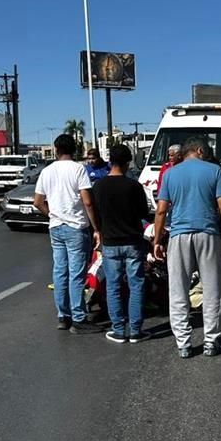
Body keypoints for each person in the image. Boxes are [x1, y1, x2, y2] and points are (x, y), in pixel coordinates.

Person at [153, 136, 221, 358]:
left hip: (179, 235)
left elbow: (161, 210)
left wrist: (157, 240)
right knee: (212, 289)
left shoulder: (171, 173)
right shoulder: (214, 171)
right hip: (207, 233)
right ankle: (211, 340)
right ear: (200, 150)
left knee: (178, 289)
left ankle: (183, 342)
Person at [34, 134, 104, 334]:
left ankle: (63, 316)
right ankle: (79, 318)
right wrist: (96, 228)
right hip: (76, 227)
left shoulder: (46, 171)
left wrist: (53, 215)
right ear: (74, 149)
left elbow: (37, 201)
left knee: (60, 272)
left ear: (56, 149)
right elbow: (88, 202)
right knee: (76, 274)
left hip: (56, 227)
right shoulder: (78, 169)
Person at [92, 143, 152, 344]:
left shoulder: (98, 186)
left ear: (110, 162)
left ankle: (118, 329)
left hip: (110, 242)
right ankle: (136, 330)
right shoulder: (134, 186)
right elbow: (144, 213)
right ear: (127, 163)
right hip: (133, 241)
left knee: (113, 286)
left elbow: (95, 212)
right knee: (136, 285)